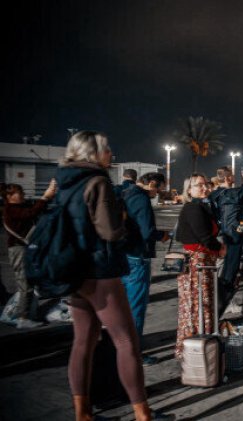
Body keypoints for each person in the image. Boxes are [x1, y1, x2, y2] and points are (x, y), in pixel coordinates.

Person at [60, 131, 162, 421]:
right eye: (107, 150)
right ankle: (143, 415)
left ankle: (83, 413)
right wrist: (123, 220)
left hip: (75, 272)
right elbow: (110, 231)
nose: (111, 155)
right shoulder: (98, 182)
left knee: (83, 342)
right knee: (126, 342)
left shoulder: (66, 182)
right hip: (100, 272)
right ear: (94, 153)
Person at [120, 172, 170, 364]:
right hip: (137, 257)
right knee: (136, 308)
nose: (158, 193)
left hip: (124, 255)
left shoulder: (127, 192)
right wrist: (162, 235)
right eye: (158, 189)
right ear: (151, 184)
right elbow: (147, 231)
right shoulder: (141, 199)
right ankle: (133, 353)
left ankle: (123, 347)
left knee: (124, 306)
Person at [175, 174, 226, 359]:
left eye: (206, 185)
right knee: (199, 303)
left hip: (203, 261)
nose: (204, 188)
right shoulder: (193, 208)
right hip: (198, 262)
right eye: (199, 185)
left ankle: (200, 344)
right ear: (189, 189)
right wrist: (219, 248)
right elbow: (204, 236)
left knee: (201, 302)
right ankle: (196, 346)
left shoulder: (200, 206)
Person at [2, 181, 57, 328]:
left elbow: (36, 210)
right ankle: (22, 317)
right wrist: (45, 196)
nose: (23, 196)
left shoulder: (19, 207)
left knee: (29, 282)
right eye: (20, 193)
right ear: (9, 196)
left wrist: (48, 198)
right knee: (24, 283)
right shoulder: (10, 210)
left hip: (24, 249)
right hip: (18, 249)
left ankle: (26, 314)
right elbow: (31, 213)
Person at [208, 166, 243, 314]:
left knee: (221, 272)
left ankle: (218, 302)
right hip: (232, 238)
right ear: (228, 178)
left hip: (219, 235)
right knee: (229, 272)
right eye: (232, 176)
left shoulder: (214, 194)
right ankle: (223, 304)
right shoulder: (232, 194)